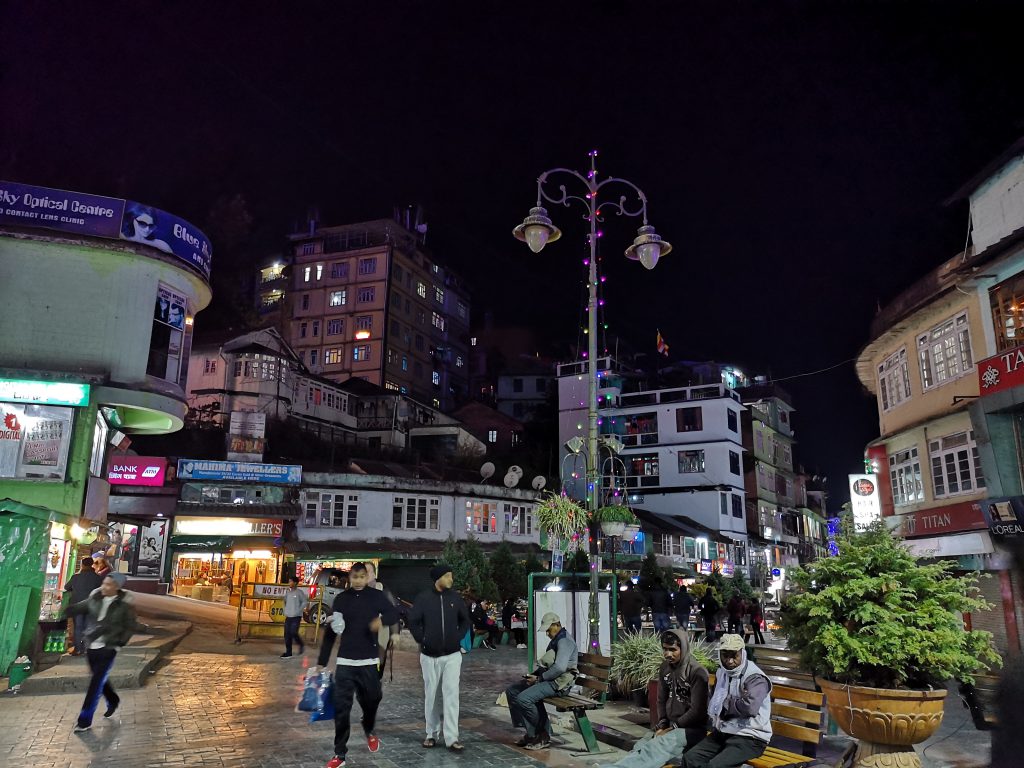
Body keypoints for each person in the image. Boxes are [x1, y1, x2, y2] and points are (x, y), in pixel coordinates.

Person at [318, 562, 399, 768]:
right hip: (345, 661)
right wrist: (322, 661)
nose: (358, 581)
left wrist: (381, 622)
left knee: (372, 699)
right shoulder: (341, 599)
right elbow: (330, 633)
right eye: (355, 577)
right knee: (342, 708)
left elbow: (393, 613)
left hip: (369, 660)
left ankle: (369, 728)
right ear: (350, 578)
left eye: (362, 577)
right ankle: (340, 754)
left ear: (367, 577)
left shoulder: (376, 596)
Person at [607, 629, 710, 768]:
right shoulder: (665, 668)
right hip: (671, 725)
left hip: (692, 729)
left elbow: (697, 711)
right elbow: (661, 700)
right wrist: (662, 723)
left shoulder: (697, 672)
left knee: (656, 747)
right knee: (642, 744)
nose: (668, 654)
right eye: (665, 649)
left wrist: (672, 728)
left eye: (673, 650)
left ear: (683, 648)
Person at [64, 573, 142, 732]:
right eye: (104, 583)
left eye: (108, 584)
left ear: (117, 587)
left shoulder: (124, 606)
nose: (104, 587)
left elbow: (131, 626)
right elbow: (80, 607)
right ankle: (113, 700)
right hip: (92, 646)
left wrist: (119, 643)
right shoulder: (95, 598)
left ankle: (84, 720)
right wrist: (65, 608)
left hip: (109, 647)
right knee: (100, 679)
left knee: (95, 683)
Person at [407, 563, 472, 752]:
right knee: (432, 696)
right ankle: (431, 734)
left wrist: (457, 637)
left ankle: (452, 738)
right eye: (448, 576)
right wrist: (423, 638)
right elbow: (413, 620)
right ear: (438, 578)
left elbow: (465, 620)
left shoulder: (455, 598)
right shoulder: (424, 598)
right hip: (429, 656)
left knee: (452, 695)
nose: (451, 579)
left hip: (452, 655)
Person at [682, 634, 772, 768]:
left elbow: (750, 707)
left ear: (742, 653)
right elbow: (715, 699)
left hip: (751, 738)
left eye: (734, 655)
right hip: (724, 732)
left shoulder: (755, 678)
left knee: (714, 766)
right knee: (690, 758)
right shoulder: (722, 673)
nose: (730, 661)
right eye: (725, 655)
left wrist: (725, 704)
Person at [504, 611, 578, 750]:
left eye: (549, 629)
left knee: (524, 699)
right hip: (548, 680)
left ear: (557, 625)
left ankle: (543, 734)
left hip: (559, 684)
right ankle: (532, 733)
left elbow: (560, 668)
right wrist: (534, 676)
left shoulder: (564, 641)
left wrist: (539, 679)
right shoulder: (557, 639)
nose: (547, 633)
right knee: (512, 691)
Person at [365, 562, 400, 679]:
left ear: (374, 574)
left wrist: (395, 633)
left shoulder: (382, 590)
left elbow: (393, 611)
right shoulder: (357, 590)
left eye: (368, 571)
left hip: (380, 629)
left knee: (379, 656)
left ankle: (376, 678)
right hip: (363, 631)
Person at [64, 557, 103, 655]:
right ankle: (86, 648)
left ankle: (78, 649)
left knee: (78, 627)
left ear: (82, 564)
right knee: (89, 627)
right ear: (92, 564)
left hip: (77, 605)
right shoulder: (97, 578)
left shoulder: (76, 577)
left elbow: (66, 587)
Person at [281, 576, 308, 658]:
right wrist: (285, 610)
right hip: (288, 616)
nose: (290, 583)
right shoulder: (288, 593)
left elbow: (304, 602)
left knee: (293, 632)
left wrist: (298, 610)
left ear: (295, 583)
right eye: (289, 581)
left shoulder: (299, 592)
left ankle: (301, 644)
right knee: (287, 634)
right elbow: (285, 601)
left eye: (291, 581)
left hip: (296, 617)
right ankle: (288, 652)